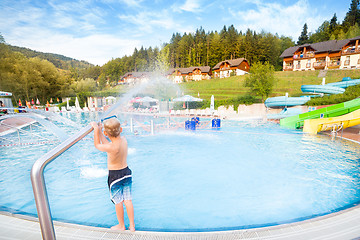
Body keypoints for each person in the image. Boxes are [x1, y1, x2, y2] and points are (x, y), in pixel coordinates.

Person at [90, 116, 135, 231]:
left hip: (115, 176)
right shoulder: (123, 140)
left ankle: (121, 226)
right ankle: (132, 225)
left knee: (118, 202)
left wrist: (96, 129)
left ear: (106, 132)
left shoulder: (111, 147)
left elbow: (98, 145)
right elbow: (107, 144)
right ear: (120, 130)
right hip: (126, 172)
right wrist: (101, 131)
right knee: (128, 200)